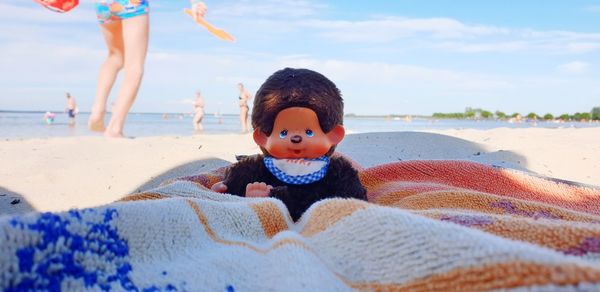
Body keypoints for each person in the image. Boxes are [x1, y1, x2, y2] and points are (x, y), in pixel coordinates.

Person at [87, 0, 208, 138]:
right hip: (132, 4)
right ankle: (114, 128)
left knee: (115, 56)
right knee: (134, 67)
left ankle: (98, 109)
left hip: (104, 4)